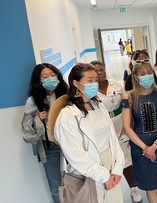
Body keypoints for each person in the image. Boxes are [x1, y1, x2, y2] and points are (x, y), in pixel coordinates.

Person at [54, 63, 125, 203]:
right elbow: (76, 155)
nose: (94, 84)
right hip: (88, 174)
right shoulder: (68, 116)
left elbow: (112, 138)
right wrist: (103, 176)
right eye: (89, 81)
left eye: (95, 80)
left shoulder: (98, 106)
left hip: (110, 167)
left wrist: (118, 166)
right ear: (76, 83)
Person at [121, 59, 157, 203]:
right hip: (140, 145)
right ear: (136, 77)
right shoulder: (129, 97)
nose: (147, 76)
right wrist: (146, 148)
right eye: (143, 73)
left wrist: (155, 146)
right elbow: (127, 127)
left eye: (150, 73)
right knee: (149, 185)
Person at [90, 60, 142, 202]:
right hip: (102, 128)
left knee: (125, 159)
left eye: (101, 69)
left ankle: (133, 188)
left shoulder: (116, 85)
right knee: (106, 159)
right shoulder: (90, 90)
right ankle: (110, 189)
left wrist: (129, 124)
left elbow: (127, 103)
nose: (99, 73)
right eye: (96, 71)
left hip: (120, 124)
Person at [21, 63, 68, 203]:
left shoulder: (66, 95)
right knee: (55, 184)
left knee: (77, 177)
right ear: (39, 80)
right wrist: (37, 118)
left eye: (53, 75)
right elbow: (23, 124)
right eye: (45, 76)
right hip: (49, 145)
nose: (50, 79)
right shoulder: (33, 100)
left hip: (69, 142)